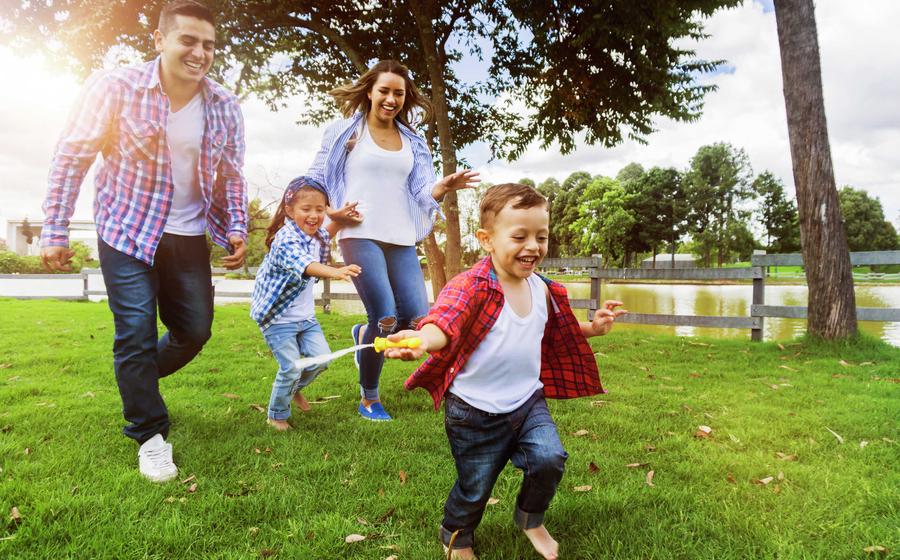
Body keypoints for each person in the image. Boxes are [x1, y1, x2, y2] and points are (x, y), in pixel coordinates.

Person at [39, 0, 248, 482]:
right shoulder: (116, 86)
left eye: (209, 45)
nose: (200, 53)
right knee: (133, 331)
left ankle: (135, 381)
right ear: (159, 40)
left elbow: (231, 176)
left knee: (194, 332)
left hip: (189, 234)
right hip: (128, 229)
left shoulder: (225, 105)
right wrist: (54, 227)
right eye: (188, 40)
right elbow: (72, 157)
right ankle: (149, 433)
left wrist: (235, 224)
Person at [384, 183, 627, 560]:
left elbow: (555, 329)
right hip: (473, 411)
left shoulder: (544, 289)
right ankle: (456, 535)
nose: (533, 246)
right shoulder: (471, 286)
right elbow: (444, 322)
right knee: (475, 485)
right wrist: (421, 340)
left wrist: (594, 327)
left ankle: (530, 517)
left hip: (527, 401)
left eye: (541, 236)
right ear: (487, 240)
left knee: (550, 458)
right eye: (520, 236)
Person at [307, 59, 479, 421]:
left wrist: (443, 186)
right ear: (369, 91)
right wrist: (328, 215)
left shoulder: (413, 141)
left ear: (406, 97)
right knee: (384, 317)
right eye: (384, 91)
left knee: (418, 319)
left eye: (398, 93)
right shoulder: (344, 132)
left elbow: (420, 190)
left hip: (400, 235)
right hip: (359, 232)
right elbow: (317, 176)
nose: (391, 98)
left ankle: (362, 336)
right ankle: (369, 397)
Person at [250, 177, 362, 431]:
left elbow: (327, 232)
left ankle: (293, 388)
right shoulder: (286, 239)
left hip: (305, 318)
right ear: (289, 211)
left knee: (322, 359)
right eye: (306, 209)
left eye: (319, 209)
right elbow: (306, 265)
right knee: (290, 367)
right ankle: (276, 415)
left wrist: (341, 218)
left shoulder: (314, 234)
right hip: (277, 319)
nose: (314, 216)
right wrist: (334, 271)